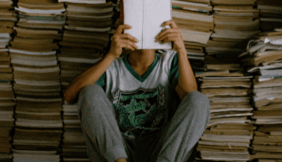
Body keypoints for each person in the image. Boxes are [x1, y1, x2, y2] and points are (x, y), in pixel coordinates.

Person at [63, 20, 210, 162]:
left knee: (199, 99)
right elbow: (70, 96)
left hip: (160, 149)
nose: (143, 32)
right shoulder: (112, 67)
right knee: (89, 92)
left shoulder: (169, 62)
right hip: (119, 151)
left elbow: (191, 99)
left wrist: (181, 49)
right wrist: (111, 55)